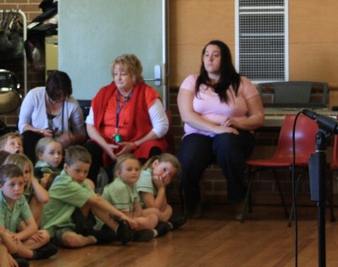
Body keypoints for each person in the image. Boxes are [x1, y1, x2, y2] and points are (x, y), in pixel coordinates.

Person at [176, 40, 265, 218]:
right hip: (199, 133)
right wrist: (214, 128)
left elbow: (258, 117)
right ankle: (192, 203)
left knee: (227, 145)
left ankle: (238, 199)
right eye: (206, 54)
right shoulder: (192, 81)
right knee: (188, 157)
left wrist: (238, 124)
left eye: (215, 55)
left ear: (225, 59)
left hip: (235, 133)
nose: (210, 59)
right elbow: (187, 115)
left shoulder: (242, 83)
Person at [84, 54, 169, 185]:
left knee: (152, 149)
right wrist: (105, 146)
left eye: (123, 74)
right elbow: (90, 125)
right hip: (107, 143)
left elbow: (161, 126)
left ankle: (138, 195)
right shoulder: (104, 93)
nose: (118, 78)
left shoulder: (147, 93)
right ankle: (90, 193)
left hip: (137, 143)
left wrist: (134, 144)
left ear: (134, 75)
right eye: (115, 73)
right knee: (89, 150)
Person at [17, 70, 86, 162]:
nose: (61, 98)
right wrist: (41, 132)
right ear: (49, 91)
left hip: (60, 146)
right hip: (37, 142)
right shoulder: (34, 95)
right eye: (57, 96)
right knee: (28, 136)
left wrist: (71, 139)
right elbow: (22, 125)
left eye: (65, 94)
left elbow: (81, 134)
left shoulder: (72, 104)